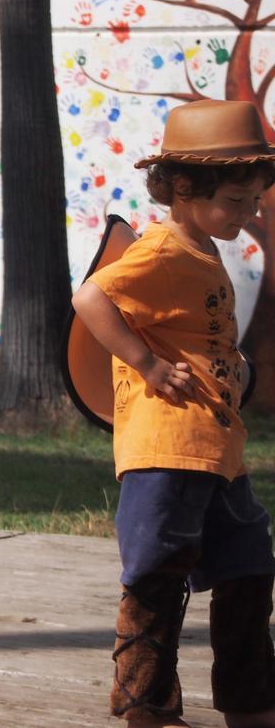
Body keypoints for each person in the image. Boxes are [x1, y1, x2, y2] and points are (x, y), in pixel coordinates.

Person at [72, 98, 275, 727]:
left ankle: (250, 703)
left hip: (217, 448)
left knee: (248, 569)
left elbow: (197, 331)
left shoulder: (203, 248)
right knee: (157, 576)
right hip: (166, 450)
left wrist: (236, 364)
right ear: (185, 188)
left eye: (256, 199)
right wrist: (148, 364)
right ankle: (147, 709)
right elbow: (91, 298)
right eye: (238, 200)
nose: (252, 211)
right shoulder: (161, 250)